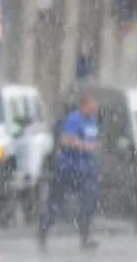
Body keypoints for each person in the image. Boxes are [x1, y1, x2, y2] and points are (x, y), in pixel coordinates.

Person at [38, 94, 100, 250]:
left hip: (86, 170)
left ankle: (85, 237)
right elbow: (66, 140)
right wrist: (85, 146)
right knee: (55, 203)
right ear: (84, 106)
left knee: (88, 203)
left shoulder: (92, 121)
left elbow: (92, 140)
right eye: (92, 107)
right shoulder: (74, 119)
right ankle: (43, 232)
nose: (94, 110)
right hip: (68, 169)